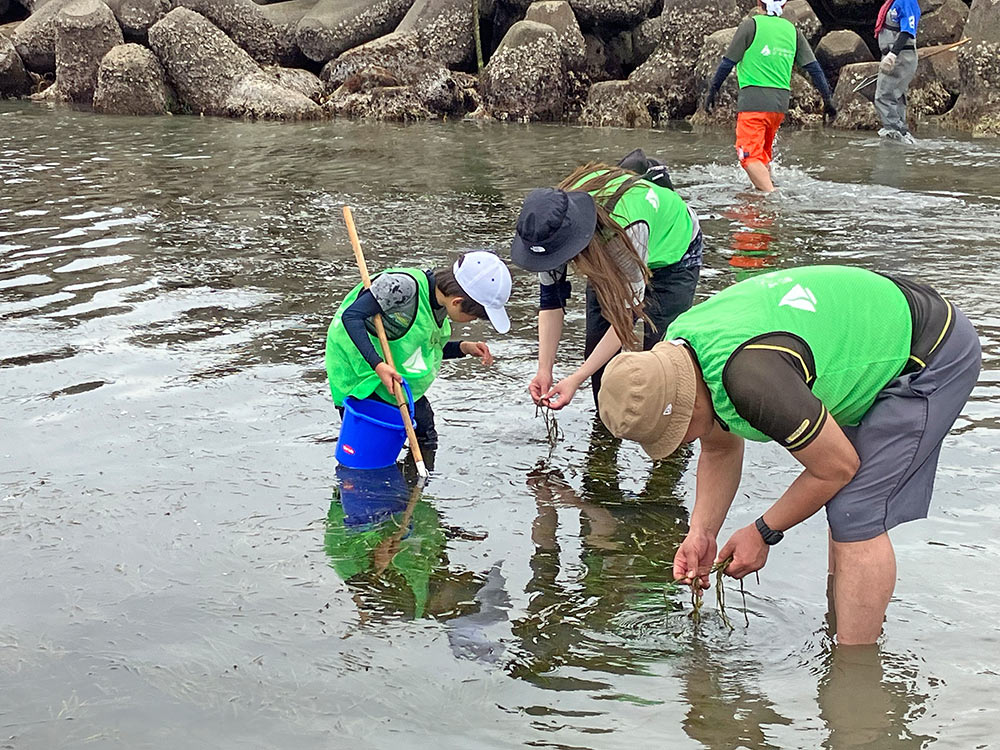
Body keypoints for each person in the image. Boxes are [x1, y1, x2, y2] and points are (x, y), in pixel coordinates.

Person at [597, 265, 981, 644]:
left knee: (857, 508)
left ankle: (855, 673)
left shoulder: (752, 379)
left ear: (687, 402)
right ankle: (841, 622)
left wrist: (763, 532)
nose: (681, 443)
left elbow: (835, 469)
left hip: (928, 351)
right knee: (846, 507)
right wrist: (702, 532)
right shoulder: (682, 352)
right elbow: (719, 446)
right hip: (860, 339)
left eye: (675, 432)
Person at [511, 153, 703, 412]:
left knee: (661, 357)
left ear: (575, 240)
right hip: (608, 245)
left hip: (675, 250)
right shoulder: (549, 223)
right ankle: (606, 431)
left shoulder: (625, 230)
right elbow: (551, 301)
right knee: (597, 353)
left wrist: (575, 379)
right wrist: (544, 369)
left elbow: (625, 321)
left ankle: (670, 435)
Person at [325, 251, 512, 447]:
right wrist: (378, 365)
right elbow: (351, 316)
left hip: (390, 371)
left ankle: (417, 475)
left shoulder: (439, 303)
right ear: (457, 302)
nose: (472, 321)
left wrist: (464, 348)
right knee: (369, 442)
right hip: (361, 370)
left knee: (424, 429)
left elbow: (422, 349)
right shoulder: (400, 288)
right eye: (473, 316)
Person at [704, 0, 837, 192]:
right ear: (783, 6)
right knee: (762, 155)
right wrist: (828, 100)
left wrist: (712, 91)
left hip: (753, 103)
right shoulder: (792, 31)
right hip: (779, 107)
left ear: (759, 3)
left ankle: (771, 198)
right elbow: (814, 68)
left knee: (747, 156)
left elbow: (727, 62)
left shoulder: (751, 25)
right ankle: (762, 212)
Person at [874, 0, 921, 143]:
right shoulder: (892, 2)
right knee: (897, 96)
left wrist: (893, 54)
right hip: (893, 55)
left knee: (884, 95)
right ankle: (902, 133)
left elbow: (907, 30)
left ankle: (894, 133)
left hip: (899, 56)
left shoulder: (907, 1)